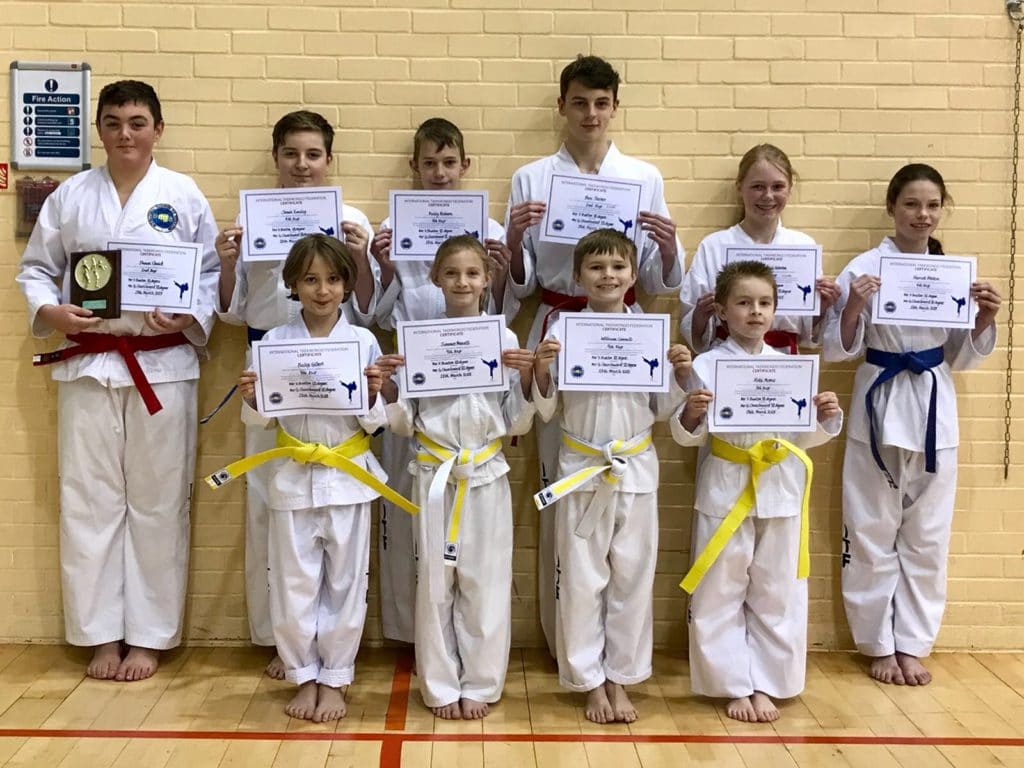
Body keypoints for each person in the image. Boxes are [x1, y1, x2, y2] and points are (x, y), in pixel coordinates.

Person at [16, 79, 219, 681]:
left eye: (137, 121)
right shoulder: (72, 195)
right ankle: (101, 635)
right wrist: (51, 311)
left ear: (159, 127)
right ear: (99, 130)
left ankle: (150, 637)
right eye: (113, 122)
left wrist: (191, 312)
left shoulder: (182, 194)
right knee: (89, 501)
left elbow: (207, 274)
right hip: (88, 364)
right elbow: (37, 271)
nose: (125, 133)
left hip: (163, 365)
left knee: (158, 503)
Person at [504, 55, 685, 654]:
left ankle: (616, 653)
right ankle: (567, 646)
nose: (590, 114)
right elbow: (523, 286)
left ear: (614, 106)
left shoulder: (643, 176)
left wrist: (668, 245)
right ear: (562, 106)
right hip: (557, 327)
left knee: (620, 487)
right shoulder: (532, 178)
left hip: (625, 334)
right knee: (563, 482)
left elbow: (656, 284)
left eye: (601, 102)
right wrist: (512, 241)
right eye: (579, 102)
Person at [214, 110, 379, 678]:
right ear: (277, 156)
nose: (302, 165)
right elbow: (231, 310)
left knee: (334, 522)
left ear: (329, 159)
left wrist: (359, 255)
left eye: (313, 154)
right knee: (273, 511)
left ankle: (330, 657)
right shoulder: (250, 215)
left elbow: (368, 306)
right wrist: (229, 262)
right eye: (292, 154)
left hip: (337, 370)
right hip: (270, 359)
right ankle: (284, 646)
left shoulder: (351, 218)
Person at [822, 164, 1001, 686]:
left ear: (942, 210)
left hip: (932, 401)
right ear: (891, 208)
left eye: (931, 206)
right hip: (879, 395)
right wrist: (854, 303)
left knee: (927, 534)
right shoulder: (866, 265)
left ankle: (914, 642)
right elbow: (837, 346)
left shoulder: (952, 272)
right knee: (871, 527)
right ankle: (878, 643)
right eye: (911, 205)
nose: (922, 215)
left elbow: (960, 357)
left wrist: (983, 319)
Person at [215, 234, 400, 722]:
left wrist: (375, 391)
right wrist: (252, 397)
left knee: (345, 582)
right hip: (293, 477)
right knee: (294, 583)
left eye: (335, 279)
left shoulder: (362, 340)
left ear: (347, 283)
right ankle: (304, 674)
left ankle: (336, 677)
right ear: (293, 284)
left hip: (349, 476)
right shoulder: (274, 342)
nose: (323, 290)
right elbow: (259, 421)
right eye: (312, 280)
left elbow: (376, 422)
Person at [671, 260, 843, 723]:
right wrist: (690, 413)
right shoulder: (706, 365)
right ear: (722, 311)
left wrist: (825, 415)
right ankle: (731, 683)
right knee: (719, 589)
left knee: (777, 588)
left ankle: (769, 681)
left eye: (764, 303)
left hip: (781, 488)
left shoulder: (789, 368)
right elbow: (686, 435)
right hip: (725, 485)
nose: (755, 312)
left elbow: (801, 436)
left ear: (775, 310)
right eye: (743, 303)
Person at [532, 229, 690, 724]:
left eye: (618, 267)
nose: (608, 276)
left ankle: (622, 676)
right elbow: (546, 409)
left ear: (632, 276)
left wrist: (681, 373)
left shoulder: (652, 334)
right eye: (596, 268)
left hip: (635, 467)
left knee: (632, 577)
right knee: (581, 580)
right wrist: (540, 370)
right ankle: (589, 681)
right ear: (577, 276)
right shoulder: (562, 332)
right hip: (580, 467)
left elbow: (665, 410)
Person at [369, 118, 515, 644]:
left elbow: (500, 309)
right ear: (414, 167)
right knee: (409, 517)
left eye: (448, 162)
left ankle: (465, 641)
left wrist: (507, 258)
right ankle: (416, 636)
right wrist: (384, 268)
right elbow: (378, 315)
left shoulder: (491, 230)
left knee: (475, 545)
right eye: (428, 163)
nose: (438, 172)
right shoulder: (393, 224)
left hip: (474, 395)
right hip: (416, 383)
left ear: (465, 166)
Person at [377, 235, 535, 719]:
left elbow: (515, 421)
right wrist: (386, 385)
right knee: (434, 582)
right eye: (452, 273)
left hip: (486, 472)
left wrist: (528, 378)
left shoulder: (505, 340)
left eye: (472, 273)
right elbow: (404, 420)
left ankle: (482, 683)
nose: (462, 282)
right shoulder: (418, 338)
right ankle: (442, 684)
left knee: (485, 582)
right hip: (434, 472)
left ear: (488, 279)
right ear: (435, 279)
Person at [678, 143, 839, 354]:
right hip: (728, 356)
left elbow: (808, 333)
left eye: (778, 187)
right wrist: (701, 312)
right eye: (758, 187)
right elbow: (692, 329)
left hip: (784, 357)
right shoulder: (714, 246)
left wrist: (823, 306)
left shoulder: (803, 247)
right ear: (739, 187)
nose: (768, 196)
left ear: (790, 188)